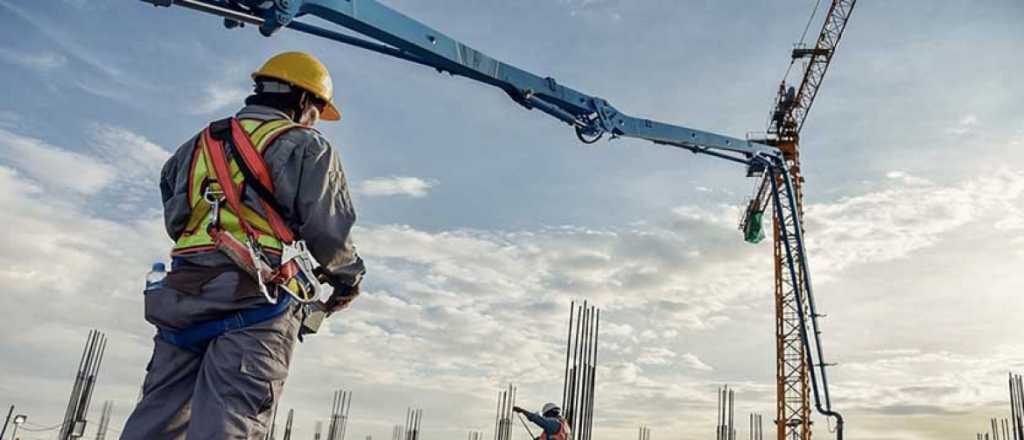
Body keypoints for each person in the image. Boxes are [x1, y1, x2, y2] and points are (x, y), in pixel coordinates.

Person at [122, 51, 366, 439]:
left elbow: (176, 215)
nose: (316, 120)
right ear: (303, 101)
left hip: (183, 295)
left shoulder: (196, 145)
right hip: (256, 297)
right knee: (232, 417)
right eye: (317, 110)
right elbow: (328, 229)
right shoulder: (305, 145)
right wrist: (349, 279)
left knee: (156, 418)